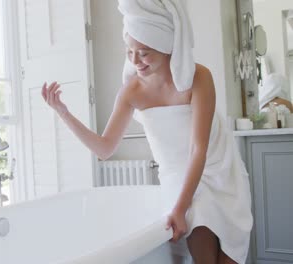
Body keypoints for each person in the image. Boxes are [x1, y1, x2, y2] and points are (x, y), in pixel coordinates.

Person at [41, 0, 253, 263]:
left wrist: (179, 207)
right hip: (179, 179)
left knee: (230, 256)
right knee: (202, 224)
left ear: (165, 46)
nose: (135, 61)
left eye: (144, 52)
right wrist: (63, 112)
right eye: (130, 52)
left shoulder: (198, 77)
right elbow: (104, 149)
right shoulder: (132, 92)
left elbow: (198, 148)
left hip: (220, 171)